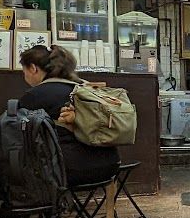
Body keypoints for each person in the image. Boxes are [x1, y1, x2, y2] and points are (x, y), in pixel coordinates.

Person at [17, 44, 120, 186]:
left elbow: (17, 132)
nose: (25, 76)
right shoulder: (84, 87)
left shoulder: (34, 96)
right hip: (110, 165)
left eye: (24, 71)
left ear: (33, 68)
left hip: (68, 170)